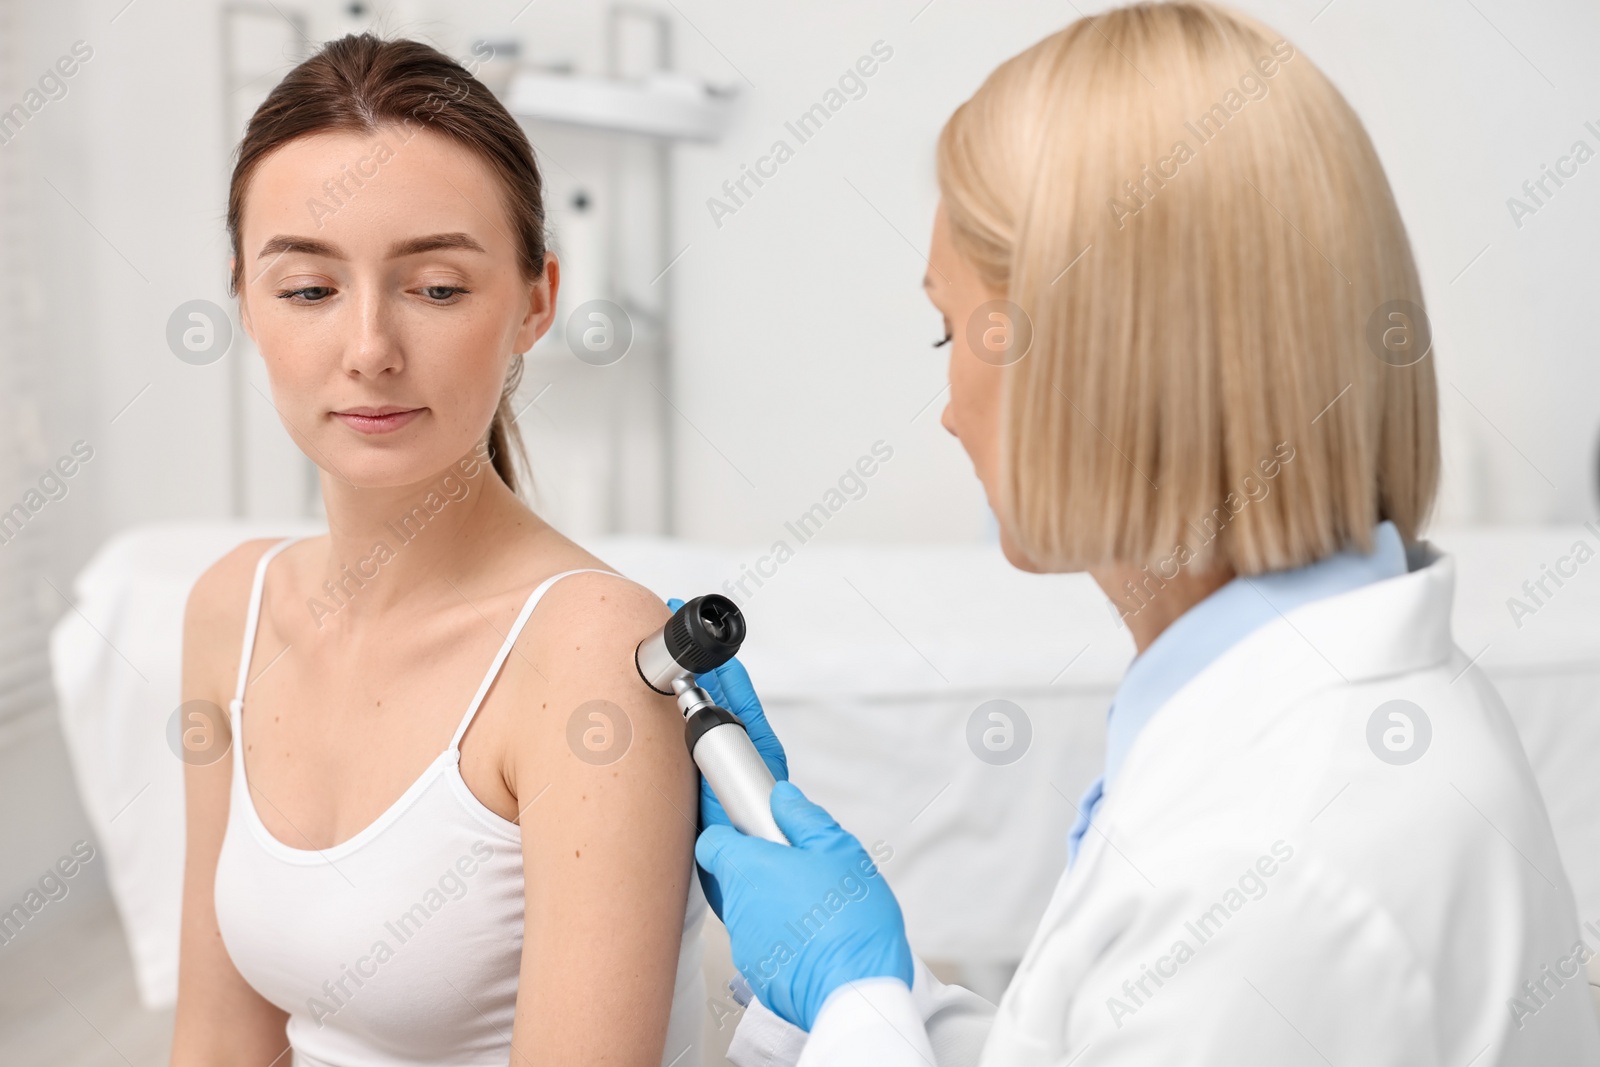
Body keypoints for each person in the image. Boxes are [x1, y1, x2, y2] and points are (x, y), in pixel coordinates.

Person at [687, 4, 1600, 1064]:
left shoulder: (1276, 860)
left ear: (1090, 354)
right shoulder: (1285, 739)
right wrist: (889, 998)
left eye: (953, 330)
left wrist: (853, 1006)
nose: (945, 407)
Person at [169, 34, 706, 1067]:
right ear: (245, 297)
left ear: (536, 301)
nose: (369, 347)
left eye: (438, 288)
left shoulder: (591, 650)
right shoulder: (230, 610)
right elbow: (221, 1039)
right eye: (309, 290)